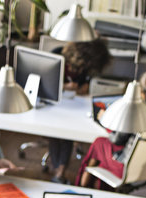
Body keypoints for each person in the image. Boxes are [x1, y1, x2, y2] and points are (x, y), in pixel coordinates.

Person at [77, 72, 146, 189]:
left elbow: (117, 139)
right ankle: (92, 186)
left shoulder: (134, 113)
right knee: (102, 146)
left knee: (99, 144)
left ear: (140, 92)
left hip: (127, 165)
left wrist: (104, 120)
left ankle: (84, 187)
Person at [47, 39, 110, 184]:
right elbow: (46, 81)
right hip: (55, 104)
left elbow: (86, 84)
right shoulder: (57, 55)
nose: (81, 70)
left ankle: (60, 171)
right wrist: (64, 86)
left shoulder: (88, 64)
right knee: (56, 131)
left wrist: (82, 88)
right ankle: (58, 171)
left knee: (68, 131)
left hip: (76, 105)